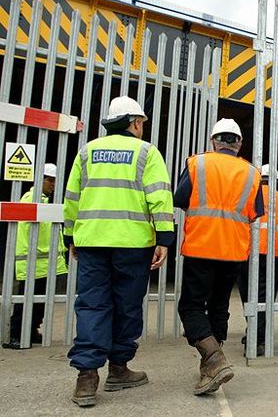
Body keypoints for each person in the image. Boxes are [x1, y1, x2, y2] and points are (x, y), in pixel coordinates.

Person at [63, 96, 175, 407]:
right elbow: (159, 198)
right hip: (131, 243)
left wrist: (69, 235)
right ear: (135, 123)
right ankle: (118, 369)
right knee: (126, 306)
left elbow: (72, 197)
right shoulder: (146, 152)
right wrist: (164, 239)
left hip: (92, 242)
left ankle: (86, 377)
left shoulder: (87, 152)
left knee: (92, 304)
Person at [175, 118, 263, 395]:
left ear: (214, 141)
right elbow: (254, 212)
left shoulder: (197, 163)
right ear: (239, 143)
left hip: (201, 247)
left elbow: (179, 198)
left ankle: (214, 359)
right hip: (233, 251)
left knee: (190, 307)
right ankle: (211, 366)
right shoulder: (251, 173)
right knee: (218, 306)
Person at [2, 163, 68, 350]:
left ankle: (30, 331)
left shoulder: (45, 201)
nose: (53, 184)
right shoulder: (31, 199)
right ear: (40, 180)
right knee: (26, 301)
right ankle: (15, 335)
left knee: (39, 302)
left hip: (44, 262)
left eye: (55, 181)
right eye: (50, 180)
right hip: (32, 261)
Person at [239, 164, 278, 357]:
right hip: (274, 254)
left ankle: (254, 332)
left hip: (248, 253)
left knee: (249, 294)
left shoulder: (248, 196)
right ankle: (257, 338)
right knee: (265, 297)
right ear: (276, 180)